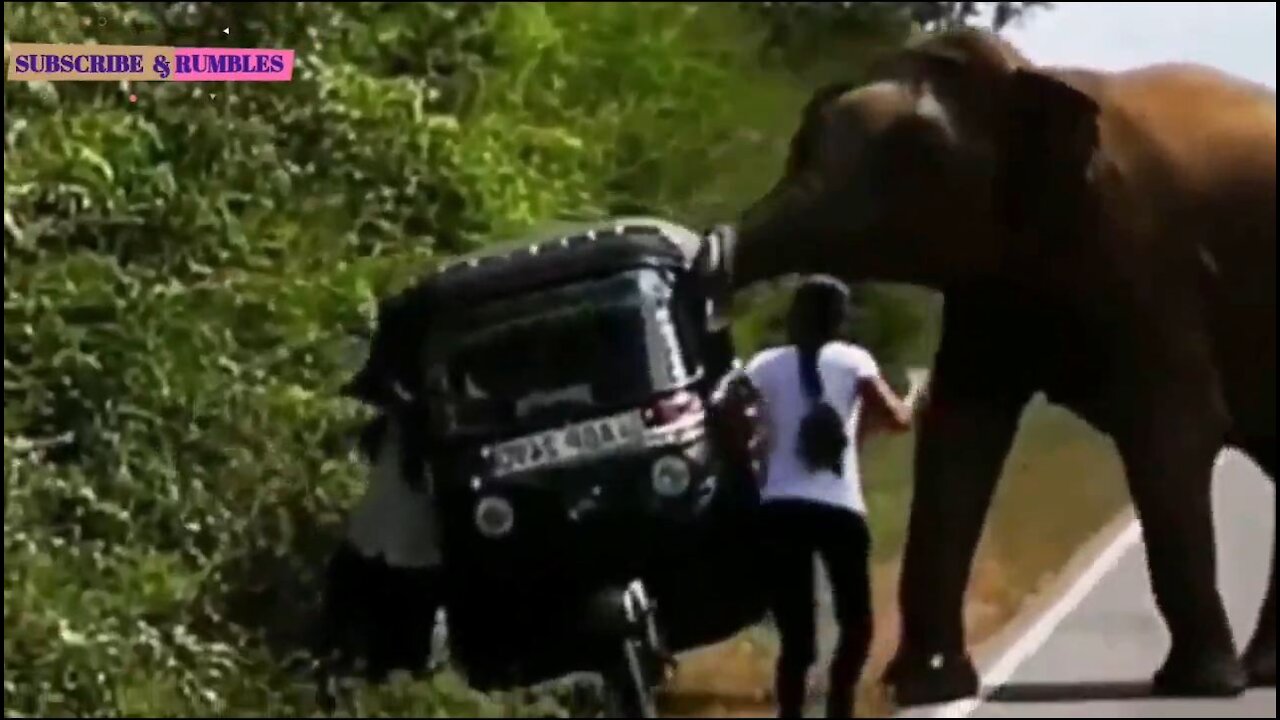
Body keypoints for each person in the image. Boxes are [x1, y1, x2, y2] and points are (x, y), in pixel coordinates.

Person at [743, 276, 928, 718]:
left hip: (779, 509)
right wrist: (916, 394)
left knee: (797, 638)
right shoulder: (854, 360)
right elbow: (897, 419)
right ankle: (839, 706)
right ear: (838, 319)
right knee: (857, 625)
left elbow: (742, 421)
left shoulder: (762, 365)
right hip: (839, 510)